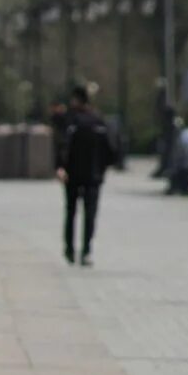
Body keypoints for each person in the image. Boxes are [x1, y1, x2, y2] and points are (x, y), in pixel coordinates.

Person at [56, 85, 118, 266]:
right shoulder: (98, 121)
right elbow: (110, 148)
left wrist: (60, 167)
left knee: (71, 212)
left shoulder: (72, 122)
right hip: (94, 175)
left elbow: (63, 146)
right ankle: (86, 251)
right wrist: (104, 167)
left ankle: (69, 249)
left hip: (72, 174)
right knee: (90, 214)